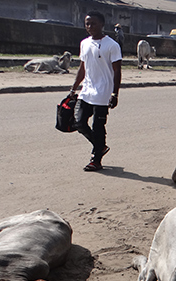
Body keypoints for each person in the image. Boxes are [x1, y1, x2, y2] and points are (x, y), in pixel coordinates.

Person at [70, 10, 122, 172]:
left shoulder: (112, 45)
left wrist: (115, 93)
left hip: (103, 93)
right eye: (87, 23)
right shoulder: (84, 43)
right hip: (87, 91)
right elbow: (83, 68)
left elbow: (117, 71)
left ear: (102, 25)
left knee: (98, 126)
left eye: (93, 23)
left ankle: (96, 159)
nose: (90, 26)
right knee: (78, 122)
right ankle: (100, 146)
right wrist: (73, 88)